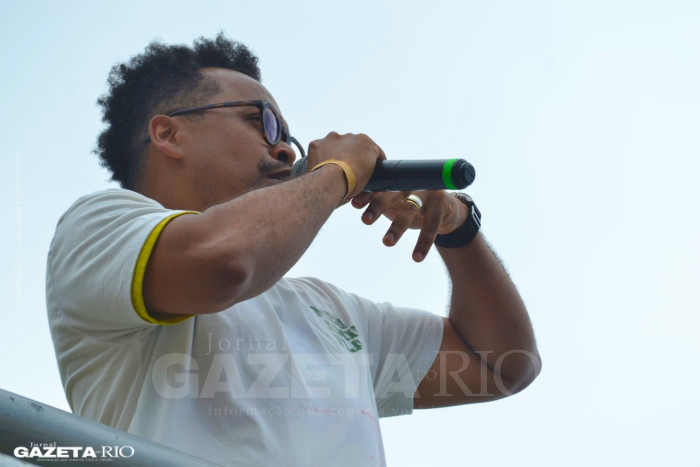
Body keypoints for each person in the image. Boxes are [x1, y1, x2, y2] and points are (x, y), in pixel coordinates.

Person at [46, 33, 541, 466]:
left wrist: (457, 227)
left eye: (288, 137)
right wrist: (339, 173)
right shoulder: (99, 227)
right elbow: (225, 263)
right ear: (169, 134)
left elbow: (503, 365)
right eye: (261, 122)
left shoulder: (332, 310)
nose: (284, 150)